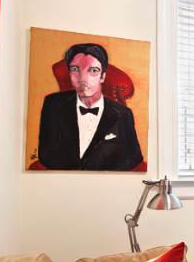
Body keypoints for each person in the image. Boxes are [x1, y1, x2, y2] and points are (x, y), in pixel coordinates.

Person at [37, 43, 143, 171]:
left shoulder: (123, 114)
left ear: (102, 76)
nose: (83, 79)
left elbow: (133, 157)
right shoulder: (53, 104)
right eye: (75, 69)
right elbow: (45, 153)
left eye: (93, 71)